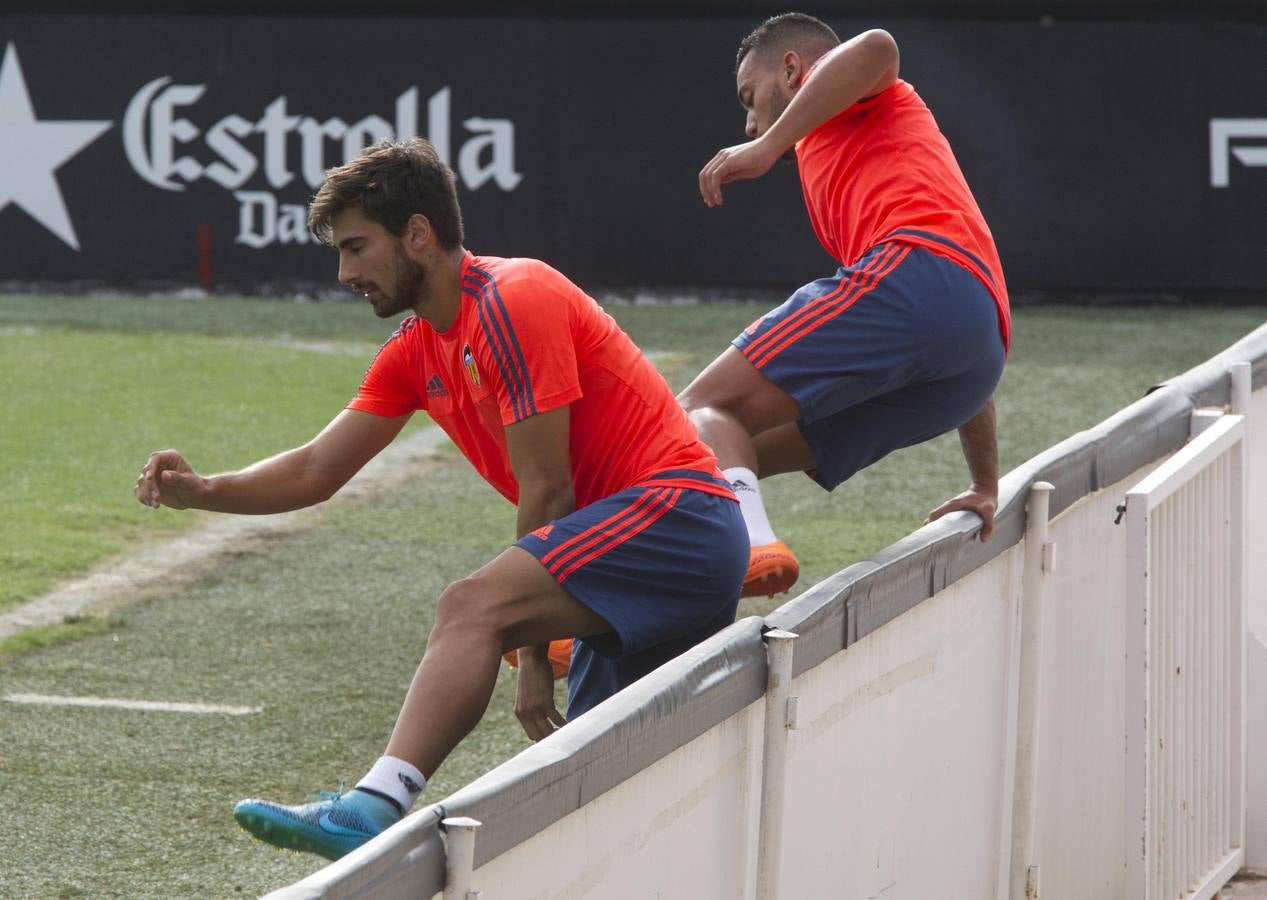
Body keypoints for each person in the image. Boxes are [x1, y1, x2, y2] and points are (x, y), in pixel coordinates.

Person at [133, 138, 747, 860]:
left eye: (358, 247)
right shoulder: (415, 344)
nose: (345, 272)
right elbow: (316, 469)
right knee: (604, 789)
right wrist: (203, 490)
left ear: (418, 234)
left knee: (469, 605)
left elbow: (549, 488)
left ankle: (373, 805)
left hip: (678, 520)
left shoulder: (514, 298)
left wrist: (526, 651)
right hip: (634, 552)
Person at [681, 14, 1010, 597]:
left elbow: (878, 45)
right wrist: (986, 484)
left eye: (749, 96)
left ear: (790, 70)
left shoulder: (858, 94)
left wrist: (765, 146)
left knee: (695, 410)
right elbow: (948, 325)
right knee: (714, 457)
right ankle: (618, 604)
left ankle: (749, 548)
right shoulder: (837, 150)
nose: (750, 119)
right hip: (974, 354)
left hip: (922, 281)